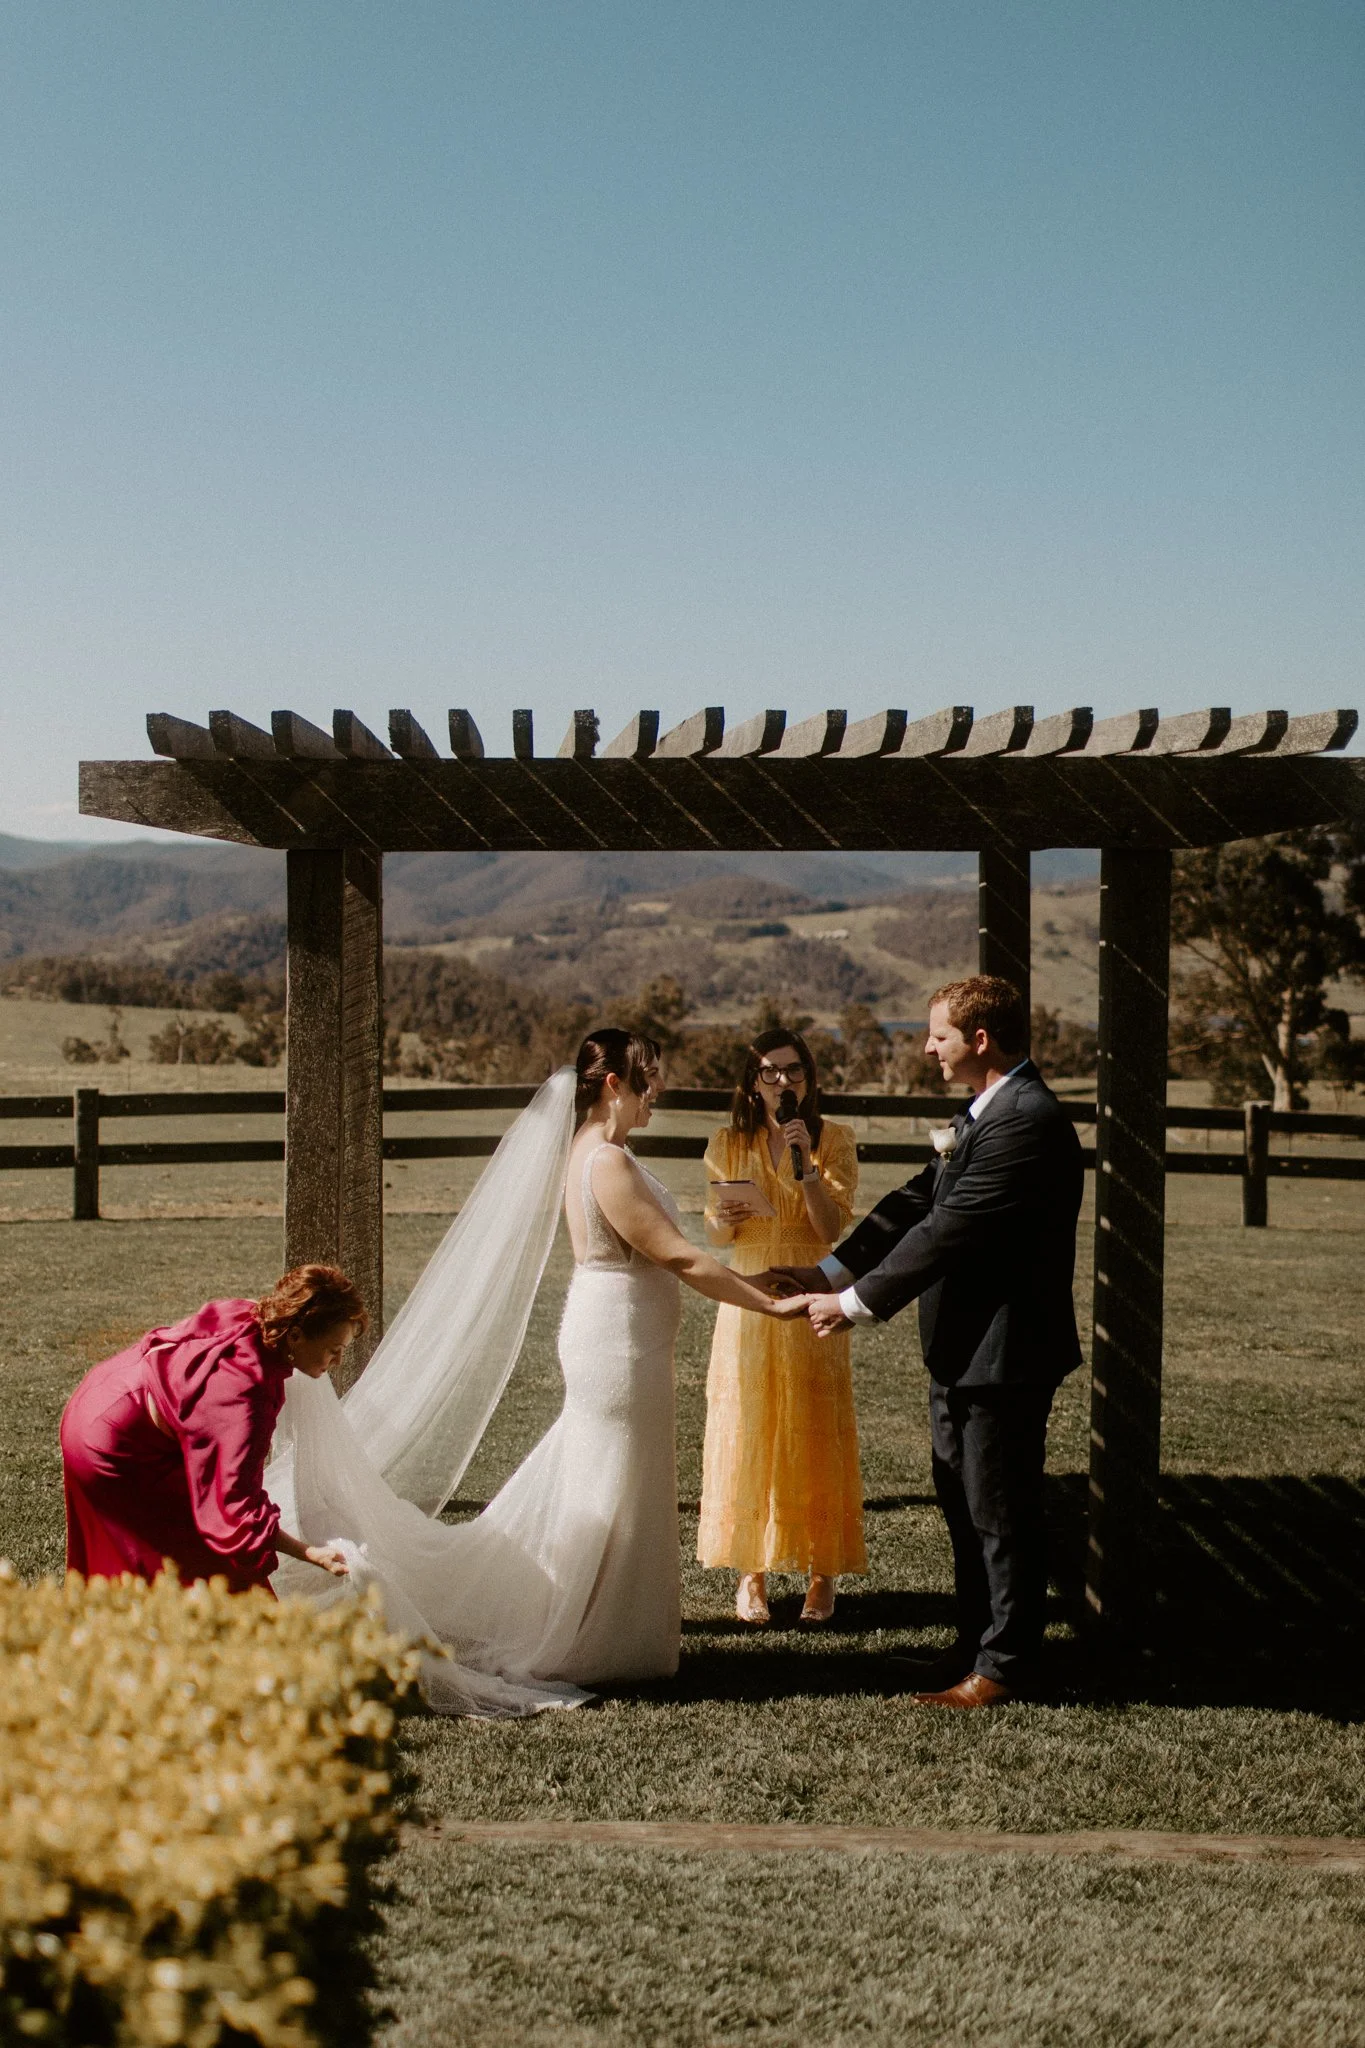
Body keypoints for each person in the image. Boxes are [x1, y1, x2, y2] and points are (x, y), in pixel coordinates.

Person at [269, 1031, 806, 1717]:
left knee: (615, 1479)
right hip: (616, 1344)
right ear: (613, 1083)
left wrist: (755, 1276)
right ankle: (587, 1638)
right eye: (648, 1076)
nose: (657, 1090)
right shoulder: (605, 1160)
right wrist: (770, 1304)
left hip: (622, 1333)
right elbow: (679, 1258)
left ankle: (609, 1631)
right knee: (611, 1478)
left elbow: (679, 1255)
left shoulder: (598, 1152)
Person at [768, 977, 1084, 1709]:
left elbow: (951, 1231)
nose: (925, 1047)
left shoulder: (1025, 1121)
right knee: (965, 1503)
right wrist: (825, 1268)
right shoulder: (983, 1112)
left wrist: (850, 1304)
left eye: (937, 1035)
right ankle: (970, 1644)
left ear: (979, 1041)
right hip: (964, 1350)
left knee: (1000, 1513)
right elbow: (915, 1202)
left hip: (1004, 1352)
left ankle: (1005, 1665)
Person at [698, 1028, 865, 1625]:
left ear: (809, 1078)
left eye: (793, 1071)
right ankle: (752, 1572)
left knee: (813, 1424)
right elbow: (716, 1232)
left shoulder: (836, 1140)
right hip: (746, 1291)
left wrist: (807, 1170)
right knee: (749, 1422)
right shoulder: (727, 1141)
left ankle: (823, 1574)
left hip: (809, 1285)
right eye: (769, 1072)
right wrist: (724, 1216)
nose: (782, 1082)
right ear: (752, 1082)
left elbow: (828, 1231)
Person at [60, 1266, 362, 1591]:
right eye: (334, 1350)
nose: (339, 1360)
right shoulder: (244, 1396)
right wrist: (310, 1552)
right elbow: (236, 1509)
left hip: (104, 1390)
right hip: (111, 1443)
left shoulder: (258, 1317)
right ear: (296, 1335)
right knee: (211, 1571)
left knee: (179, 1554)